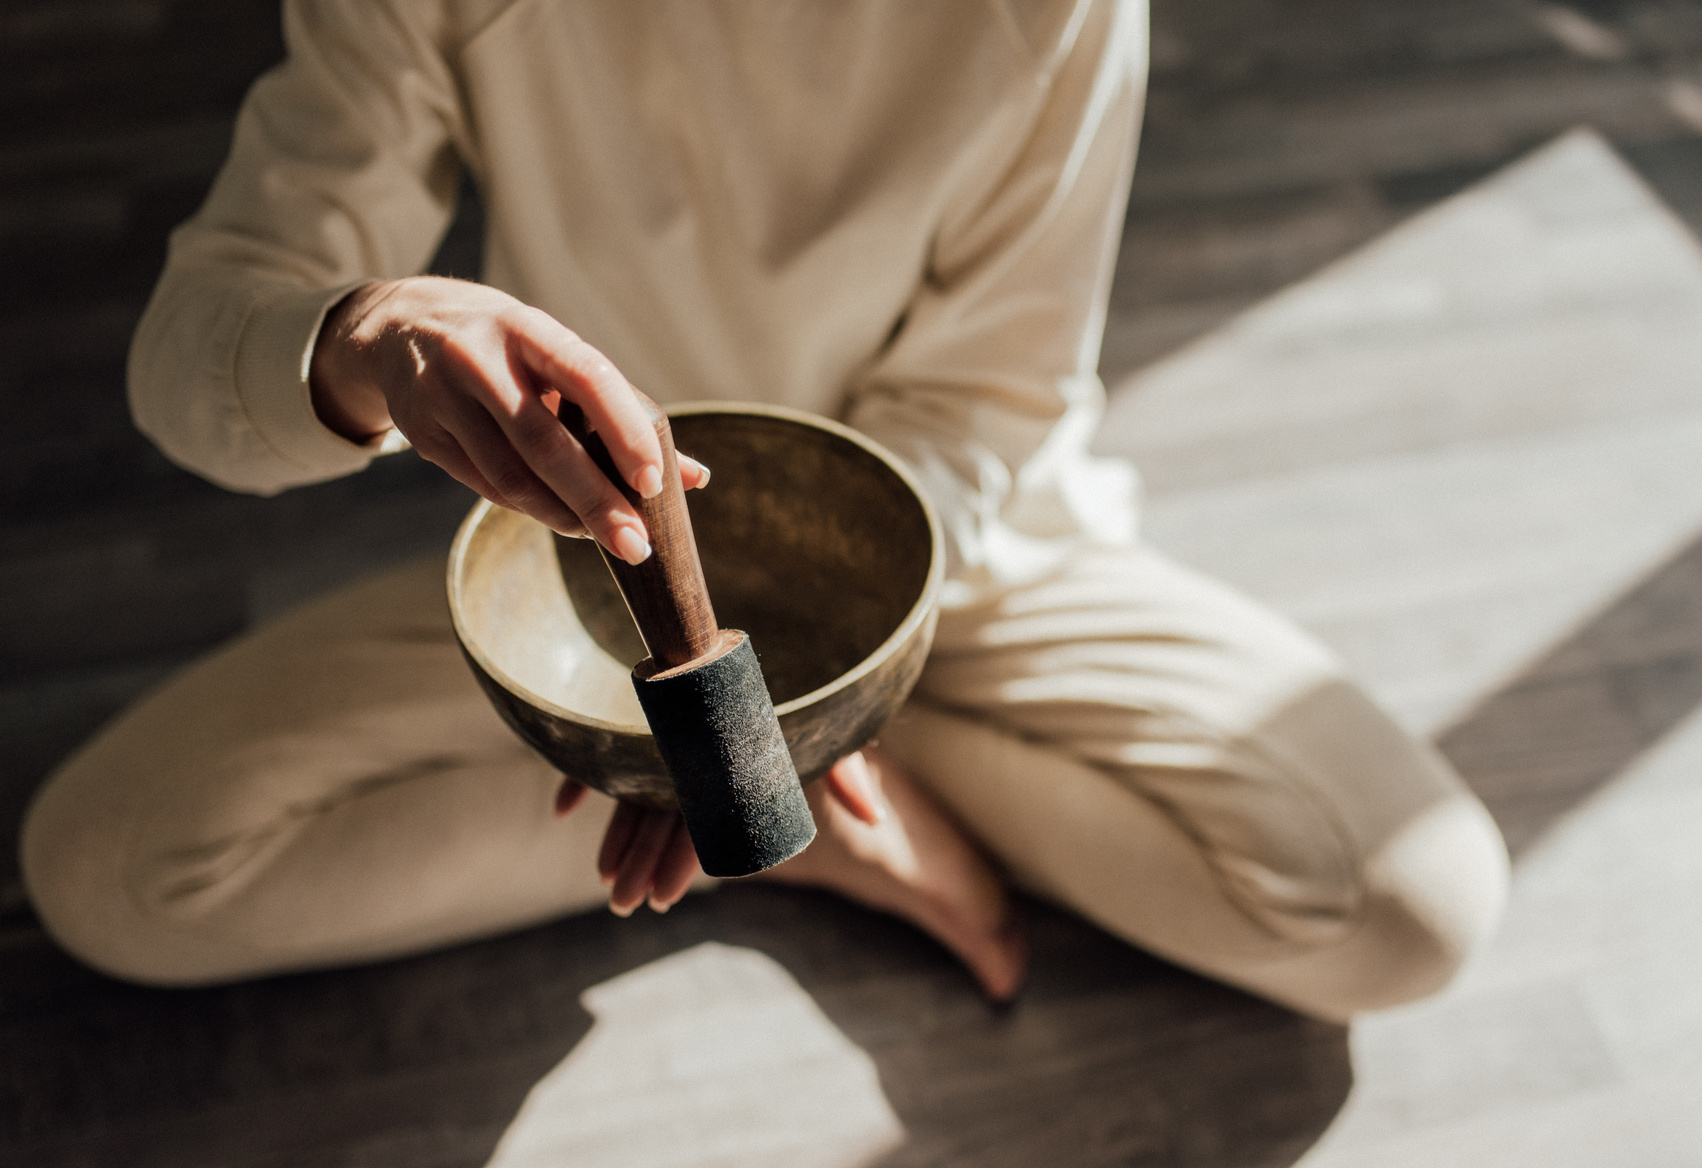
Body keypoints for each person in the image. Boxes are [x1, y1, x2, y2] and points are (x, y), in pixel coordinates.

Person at [21, 0, 1509, 1019]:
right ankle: (806, 825)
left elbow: (984, 402)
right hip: (596, 594)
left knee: (1407, 905)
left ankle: (773, 804)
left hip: (953, 552)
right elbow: (191, 353)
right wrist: (361, 334)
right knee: (115, 872)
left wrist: (764, 722)